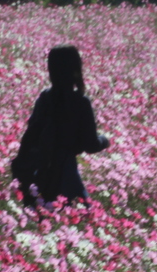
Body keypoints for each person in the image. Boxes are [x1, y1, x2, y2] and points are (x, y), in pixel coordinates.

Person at [11, 45, 109, 208]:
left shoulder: (45, 98)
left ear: (51, 70)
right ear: (76, 70)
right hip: (65, 173)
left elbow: (31, 132)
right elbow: (90, 144)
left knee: (38, 215)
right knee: (76, 215)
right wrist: (105, 141)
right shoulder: (80, 102)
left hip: (39, 171)